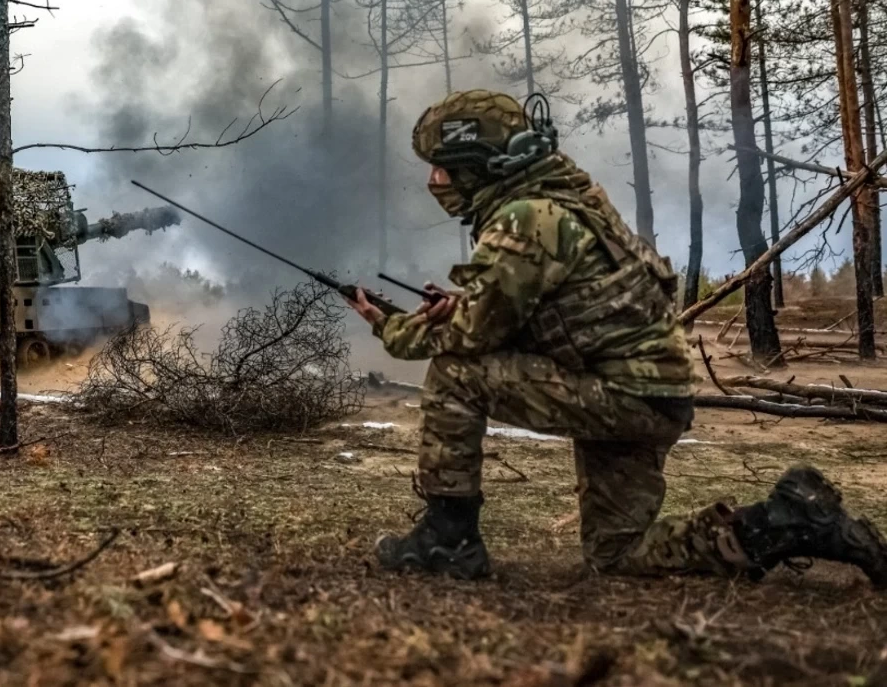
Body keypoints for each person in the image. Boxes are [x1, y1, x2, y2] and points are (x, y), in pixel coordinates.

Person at [346, 89, 887, 586]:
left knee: (455, 374)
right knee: (618, 553)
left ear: (479, 165)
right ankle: (787, 521)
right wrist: (464, 308)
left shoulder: (526, 217)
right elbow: (549, 311)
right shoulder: (569, 201)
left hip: (620, 395)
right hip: (647, 394)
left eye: (444, 167)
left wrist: (389, 324)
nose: (434, 180)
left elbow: (468, 339)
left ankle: (448, 540)